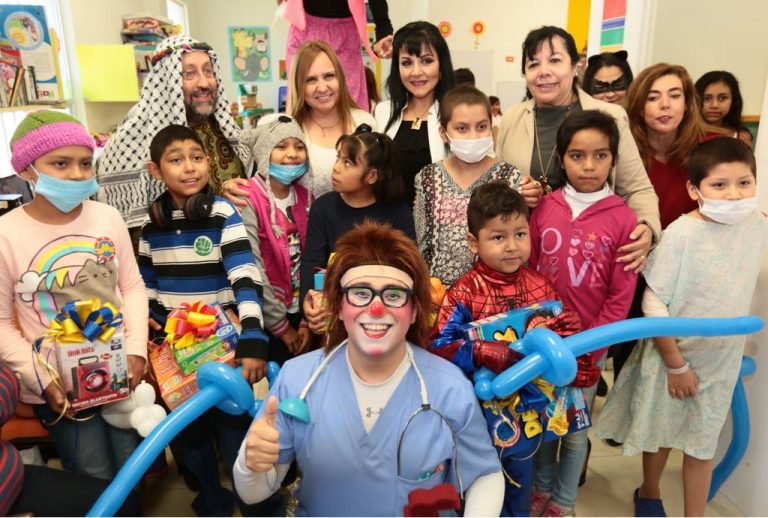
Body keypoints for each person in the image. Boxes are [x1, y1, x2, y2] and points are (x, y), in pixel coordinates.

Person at [233, 220, 505, 516]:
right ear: (338, 305)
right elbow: (253, 491)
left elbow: (483, 475)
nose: (376, 309)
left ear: (414, 310)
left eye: (394, 295)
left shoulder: (449, 387)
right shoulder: (297, 380)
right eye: (360, 293)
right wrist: (250, 466)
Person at [597, 137, 767, 517]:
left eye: (744, 183)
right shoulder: (682, 234)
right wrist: (676, 364)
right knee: (661, 434)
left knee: (702, 442)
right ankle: (650, 492)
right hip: (671, 352)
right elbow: (653, 302)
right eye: (719, 185)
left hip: (720, 358)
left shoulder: (756, 225)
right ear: (694, 189)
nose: (734, 194)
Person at [0, 110, 148, 479]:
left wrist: (135, 350)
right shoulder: (6, 233)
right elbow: (2, 323)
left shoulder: (107, 216)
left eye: (85, 163)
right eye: (60, 163)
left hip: (118, 373)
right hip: (58, 386)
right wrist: (41, 380)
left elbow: (131, 286)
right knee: (90, 472)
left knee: (132, 467)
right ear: (26, 169)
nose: (77, 175)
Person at [138, 124, 271, 516]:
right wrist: (150, 317)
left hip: (223, 349)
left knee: (235, 436)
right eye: (176, 160)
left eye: (197, 158)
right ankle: (211, 499)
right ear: (155, 171)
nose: (189, 167)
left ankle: (259, 504)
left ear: (209, 163)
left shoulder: (222, 214)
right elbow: (146, 283)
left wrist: (252, 340)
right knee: (190, 438)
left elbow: (246, 278)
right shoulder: (151, 227)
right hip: (176, 357)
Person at [431, 183, 581, 516]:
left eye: (519, 234)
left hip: (527, 414)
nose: (512, 247)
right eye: (498, 237)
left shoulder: (541, 285)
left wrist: (572, 343)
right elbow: (438, 346)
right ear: (474, 242)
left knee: (519, 482)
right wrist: (481, 351)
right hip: (476, 414)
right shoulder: (463, 292)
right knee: (475, 483)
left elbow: (558, 340)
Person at [527, 111, 638, 516]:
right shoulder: (545, 209)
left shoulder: (623, 218)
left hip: (588, 352)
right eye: (577, 156)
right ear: (561, 157)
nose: (588, 166)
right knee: (543, 428)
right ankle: (539, 492)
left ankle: (564, 502)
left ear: (613, 158)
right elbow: (531, 273)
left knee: (574, 433)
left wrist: (592, 348)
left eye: (600, 156)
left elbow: (620, 296)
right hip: (542, 344)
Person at [496, 26, 660, 274]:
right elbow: (495, 186)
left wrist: (646, 227)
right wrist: (515, 193)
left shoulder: (610, 116)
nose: (543, 72)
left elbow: (637, 188)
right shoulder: (512, 119)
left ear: (575, 67)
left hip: (593, 258)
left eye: (554, 60)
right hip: (528, 257)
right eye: (533, 64)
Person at [609, 64, 729, 383]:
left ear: (688, 103)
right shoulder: (620, 153)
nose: (665, 105)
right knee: (629, 352)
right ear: (638, 106)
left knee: (683, 359)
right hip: (634, 269)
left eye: (674, 96)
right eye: (653, 97)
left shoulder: (711, 150)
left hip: (690, 277)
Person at [98, 35, 248, 230]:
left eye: (208, 71)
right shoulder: (130, 140)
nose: (204, 83)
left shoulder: (226, 129)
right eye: (189, 74)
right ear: (168, 81)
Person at [413, 85, 541, 287]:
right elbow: (422, 241)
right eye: (462, 128)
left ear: (491, 127)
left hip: (494, 293)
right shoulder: (428, 178)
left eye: (481, 127)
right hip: (439, 294)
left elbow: (519, 238)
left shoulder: (510, 177)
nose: (473, 136)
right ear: (444, 133)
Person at [301, 125, 416, 334]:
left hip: (384, 313)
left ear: (372, 176)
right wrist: (307, 307)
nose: (336, 167)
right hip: (334, 315)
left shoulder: (398, 211)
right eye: (338, 158)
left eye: (348, 163)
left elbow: (408, 267)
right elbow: (312, 261)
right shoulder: (323, 207)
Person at [0, 362, 142, 516]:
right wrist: (45, 381)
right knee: (97, 473)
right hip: (58, 392)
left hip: (15, 479)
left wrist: (136, 353)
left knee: (125, 497)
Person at [239, 115, 313, 365]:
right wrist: (281, 327)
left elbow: (312, 259)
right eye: (281, 147)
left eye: (299, 146)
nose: (292, 154)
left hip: (302, 313)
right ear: (263, 152)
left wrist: (306, 319)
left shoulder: (306, 197)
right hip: (267, 314)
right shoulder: (248, 197)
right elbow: (253, 267)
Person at [374, 21, 455, 205]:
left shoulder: (457, 112)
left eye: (426, 61)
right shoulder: (383, 112)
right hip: (389, 227)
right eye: (406, 63)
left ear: (442, 65)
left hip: (440, 227)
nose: (416, 72)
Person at [281, 0, 394, 112]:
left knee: (349, 102)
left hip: (344, 33)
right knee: (301, 98)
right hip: (304, 28)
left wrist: (383, 32)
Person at [695, 70, 753, 146]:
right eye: (706, 98)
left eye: (723, 98)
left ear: (733, 100)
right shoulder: (685, 135)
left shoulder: (740, 136)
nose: (714, 105)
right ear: (694, 100)